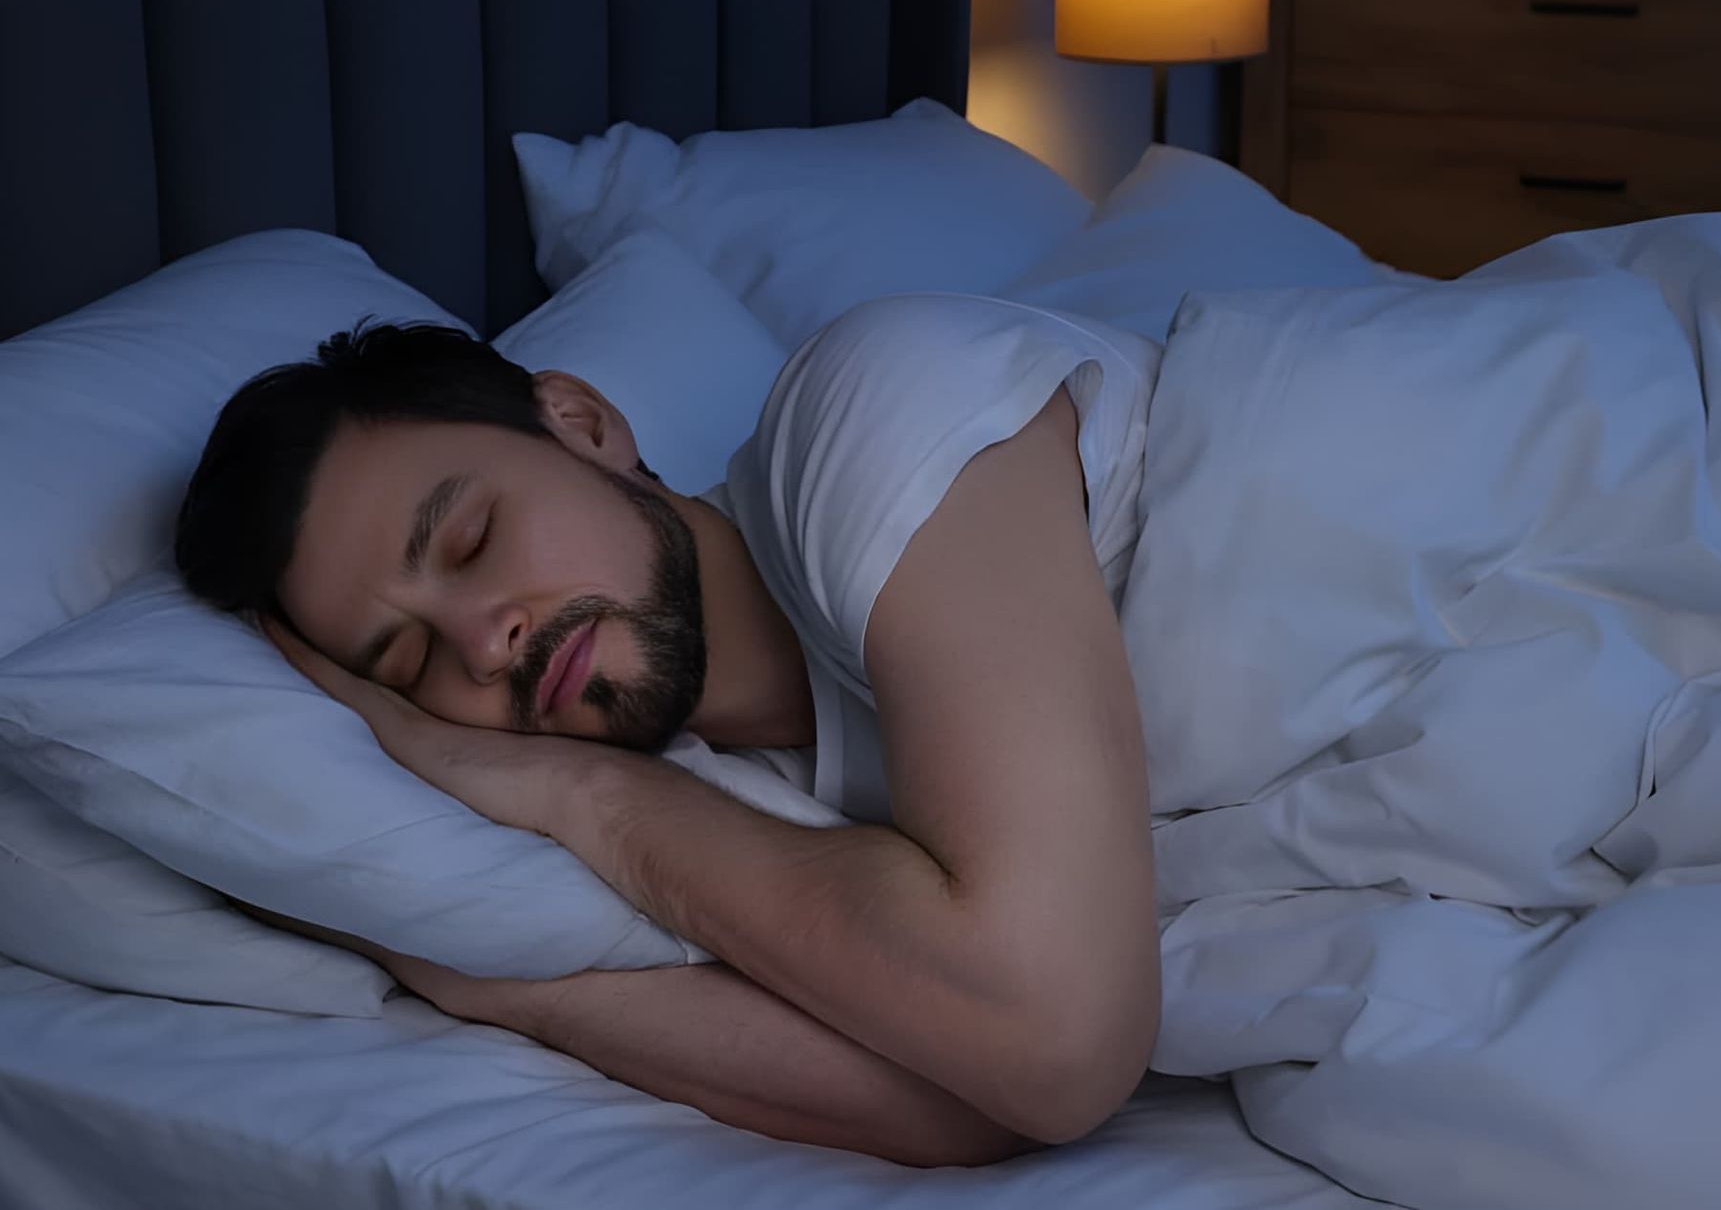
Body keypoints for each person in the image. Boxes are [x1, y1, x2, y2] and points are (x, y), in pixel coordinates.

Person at [174, 298, 1165, 1167]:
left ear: (581, 423)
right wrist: (482, 983)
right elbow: (977, 1099)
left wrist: (594, 801)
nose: (483, 644)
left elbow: (1054, 1040)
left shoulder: (878, 410)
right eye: (408, 662)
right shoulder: (730, 804)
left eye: (473, 539)